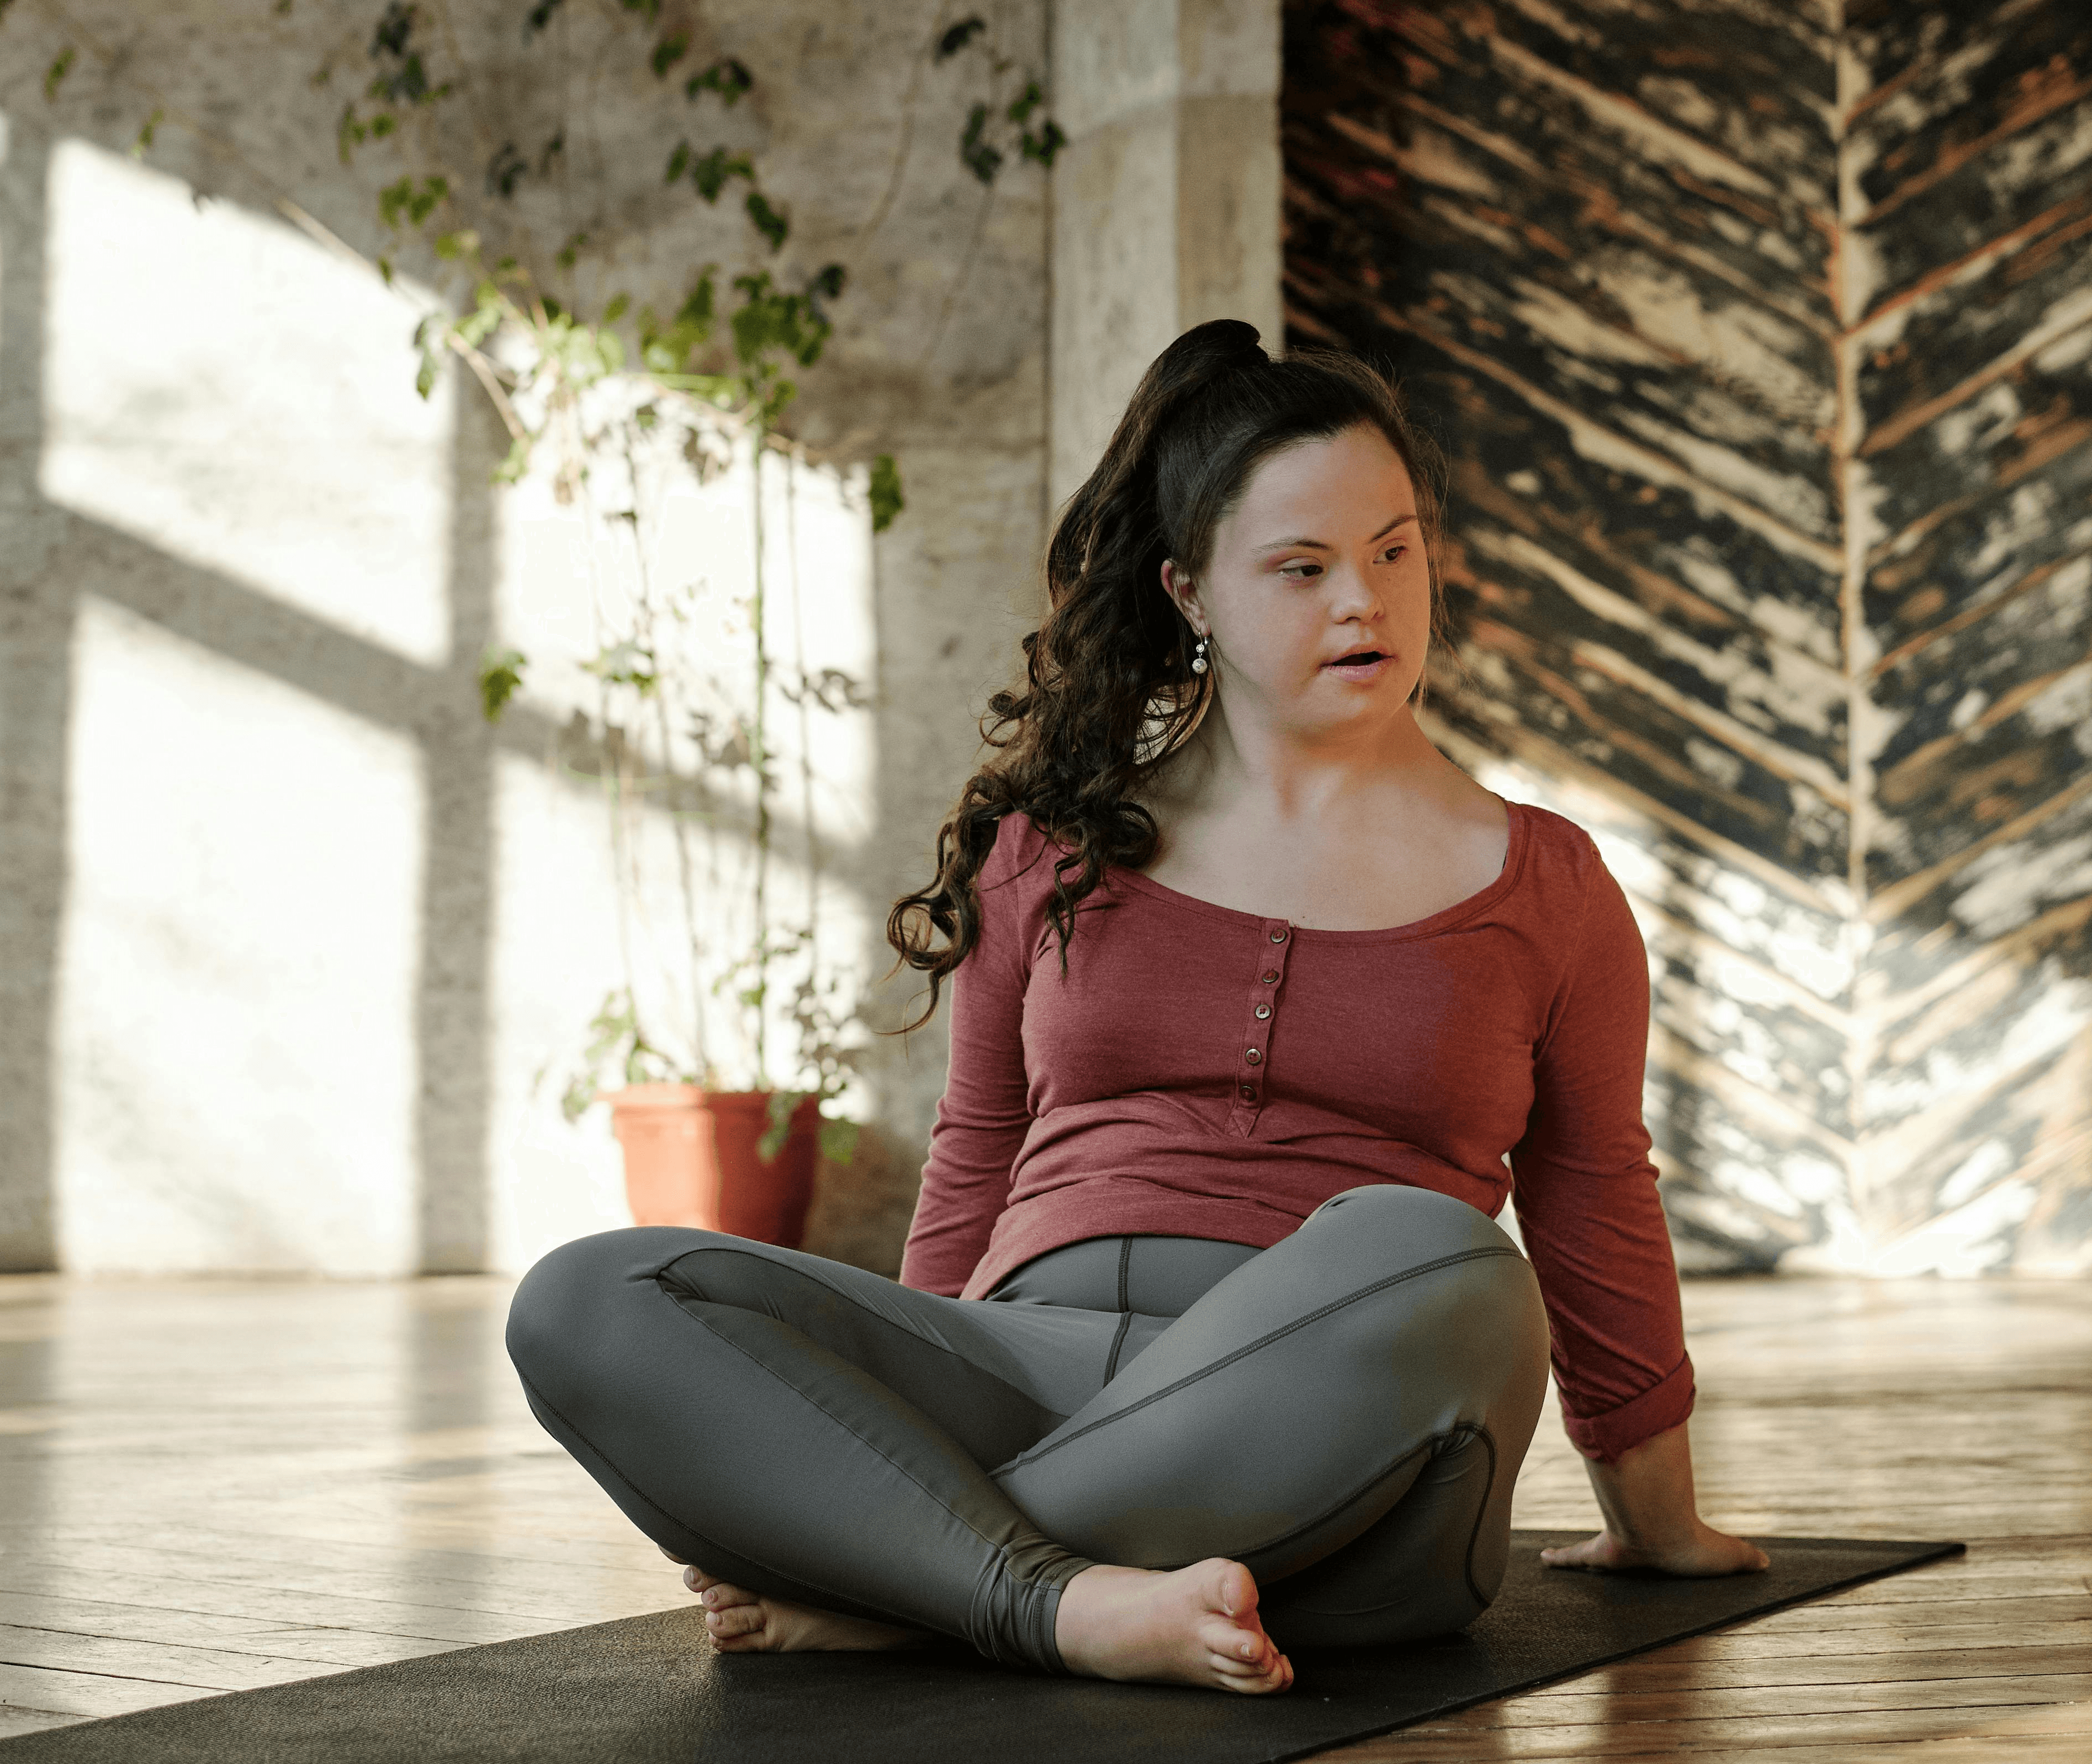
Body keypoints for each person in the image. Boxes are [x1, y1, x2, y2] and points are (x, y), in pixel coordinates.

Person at [505, 319, 1767, 1697]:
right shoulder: (1052, 844)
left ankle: (927, 1583)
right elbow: (974, 1155)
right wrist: (900, 1406)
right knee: (589, 1294)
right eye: (1303, 568)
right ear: (1192, 593)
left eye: (1394, 551)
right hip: (1021, 1355)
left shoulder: (1548, 884)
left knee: (1448, 1264)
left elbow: (1591, 1199)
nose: (1367, 602)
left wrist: (1658, 1524)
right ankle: (1053, 1598)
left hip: (1345, 1443)